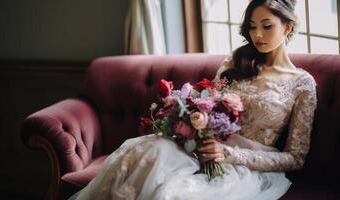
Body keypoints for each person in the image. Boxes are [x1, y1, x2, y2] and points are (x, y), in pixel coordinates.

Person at [69, 0, 317, 199]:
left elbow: (295, 158)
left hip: (245, 167)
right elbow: (209, 108)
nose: (257, 35)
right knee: (145, 151)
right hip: (200, 149)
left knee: (173, 192)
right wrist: (189, 123)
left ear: (287, 27)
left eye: (266, 25)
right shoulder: (236, 62)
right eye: (252, 26)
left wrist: (228, 154)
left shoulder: (301, 83)